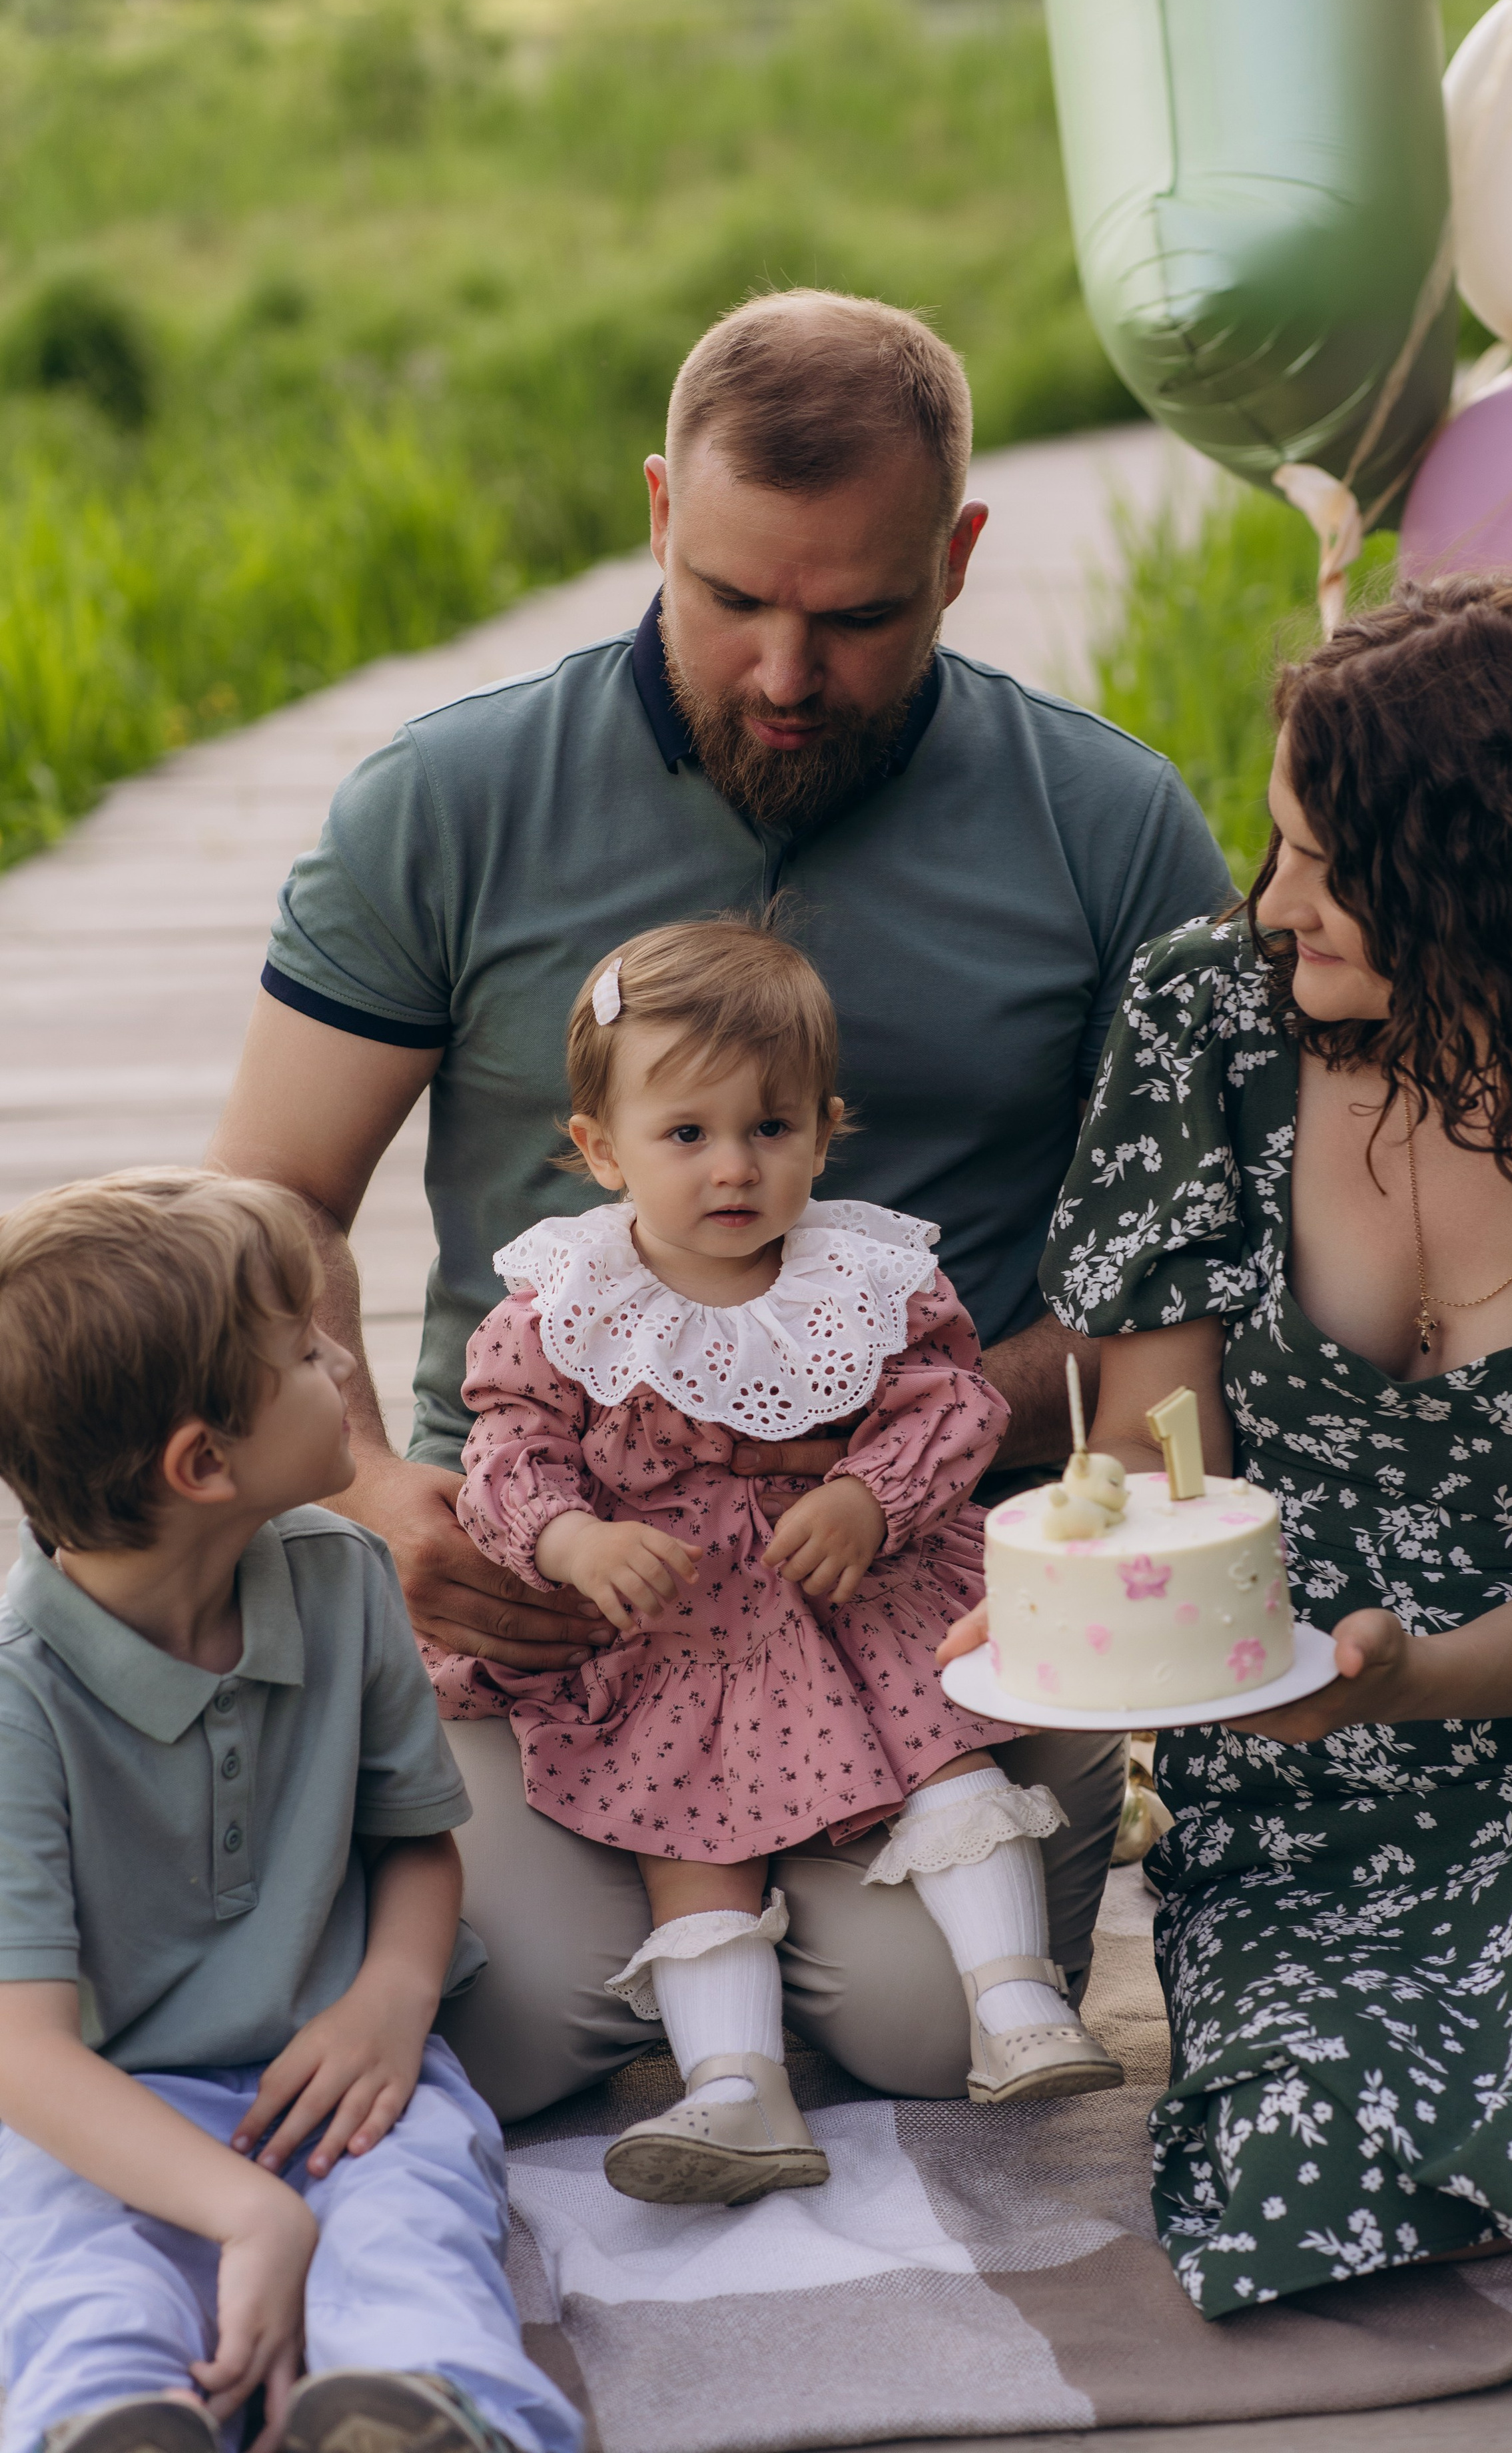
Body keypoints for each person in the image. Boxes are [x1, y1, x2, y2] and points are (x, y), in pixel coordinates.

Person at [208, 288, 1232, 2115]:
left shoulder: (1108, 828)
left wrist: (881, 1434)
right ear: (662, 511)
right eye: (732, 598)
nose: (783, 672)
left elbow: (1177, 1270)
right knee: (502, 2030)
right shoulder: (442, 803)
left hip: (920, 1585)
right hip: (554, 1588)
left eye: (857, 616)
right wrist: (379, 1499)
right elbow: (271, 1202)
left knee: (930, 2033)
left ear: (963, 554)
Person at [945, 573, 1512, 2317]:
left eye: (1320, 858)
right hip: (1295, 1770)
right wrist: (1076, 1591)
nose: (1271, 902)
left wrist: (1405, 1676)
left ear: (1491, 880)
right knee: (1303, 2166)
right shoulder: (1212, 1022)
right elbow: (1145, 1434)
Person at [434, 918, 1120, 2203]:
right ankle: (736, 2088)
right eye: (686, 1134)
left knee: (943, 1750)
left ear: (825, 1129)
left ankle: (1017, 1998)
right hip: (672, 1630)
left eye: (773, 1128)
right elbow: (509, 1451)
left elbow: (951, 1403)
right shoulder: (568, 1303)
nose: (734, 1168)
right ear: (600, 1150)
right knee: (690, 1843)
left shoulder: (861, 1277)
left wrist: (872, 1492)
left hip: (853, 1591)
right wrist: (570, 1537)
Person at [0, 1171, 582, 2453]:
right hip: (103, 2091)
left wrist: (392, 1999)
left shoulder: (344, 1574)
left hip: (340, 2070)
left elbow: (412, 1840)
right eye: (307, 1353)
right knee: (65, 2250)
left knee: (417, 2208)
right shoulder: (15, 1698)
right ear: (204, 1463)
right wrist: (253, 2216)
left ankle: (427, 2411)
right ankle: (108, 2420)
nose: (341, 1366)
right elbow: (24, 2056)